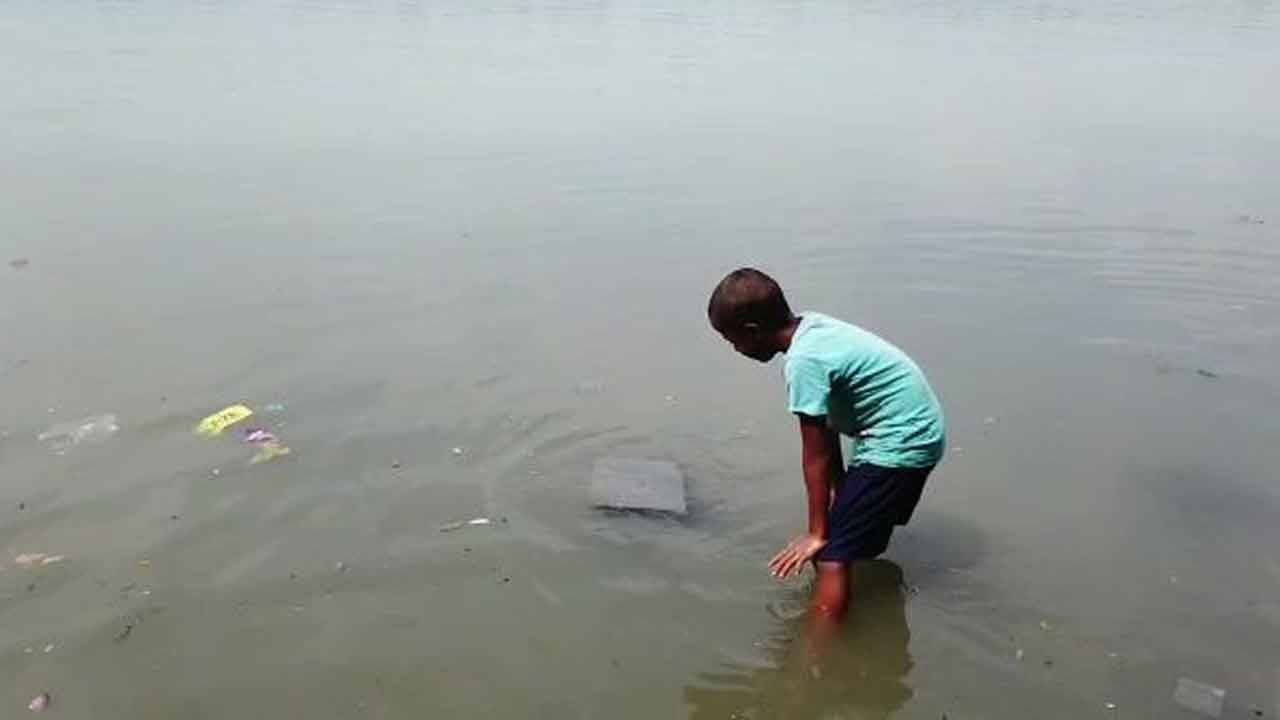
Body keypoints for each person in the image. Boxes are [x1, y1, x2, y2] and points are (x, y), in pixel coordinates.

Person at [707, 268, 945, 622]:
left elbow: (815, 455)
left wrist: (816, 534)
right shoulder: (813, 329)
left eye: (733, 341)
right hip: (917, 429)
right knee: (850, 537)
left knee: (830, 556)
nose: (736, 349)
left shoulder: (804, 362)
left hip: (899, 443)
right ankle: (865, 598)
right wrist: (838, 493)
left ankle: (815, 658)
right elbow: (830, 428)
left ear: (752, 332)